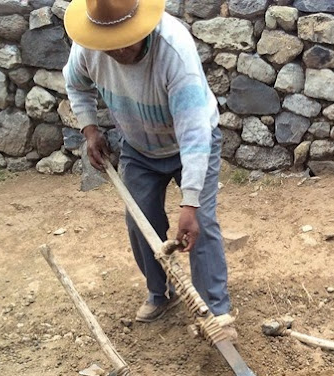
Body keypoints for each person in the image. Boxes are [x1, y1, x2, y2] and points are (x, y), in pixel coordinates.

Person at [62, 0, 236, 339]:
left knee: (201, 223)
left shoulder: (174, 50)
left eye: (125, 39)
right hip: (139, 147)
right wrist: (91, 130)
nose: (118, 50)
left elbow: (195, 134)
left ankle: (214, 312)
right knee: (140, 222)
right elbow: (76, 85)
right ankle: (161, 293)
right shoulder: (89, 47)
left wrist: (190, 204)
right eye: (109, 43)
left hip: (192, 142)